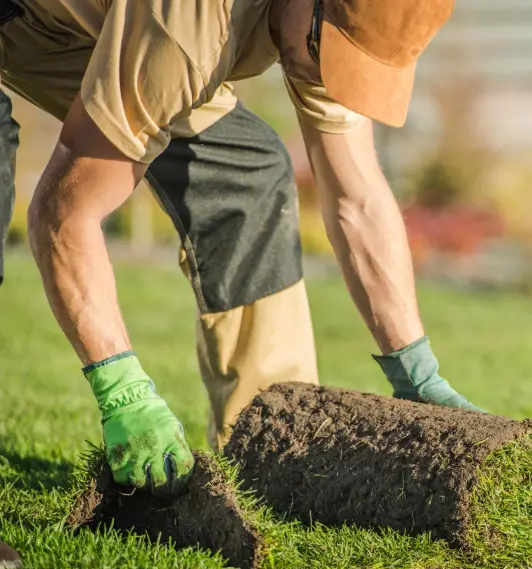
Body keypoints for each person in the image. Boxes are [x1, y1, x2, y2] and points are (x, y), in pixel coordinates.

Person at [0, 0, 477, 496]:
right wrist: (124, 392)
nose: (330, 78)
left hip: (66, 25)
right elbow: (63, 213)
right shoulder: (189, 29)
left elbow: (357, 199)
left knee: (246, 171)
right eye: (328, 53)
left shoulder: (320, 28)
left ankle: (269, 457)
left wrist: (417, 371)